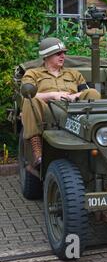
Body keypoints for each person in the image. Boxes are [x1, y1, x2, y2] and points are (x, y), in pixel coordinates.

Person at [21, 37, 101, 167]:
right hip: (47, 112)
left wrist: (73, 96)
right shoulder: (33, 74)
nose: (63, 56)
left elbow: (85, 91)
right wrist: (53, 95)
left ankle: (96, 134)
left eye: (64, 53)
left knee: (93, 93)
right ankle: (37, 149)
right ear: (47, 56)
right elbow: (27, 94)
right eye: (58, 54)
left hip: (74, 109)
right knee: (30, 99)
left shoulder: (73, 73)